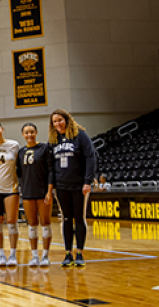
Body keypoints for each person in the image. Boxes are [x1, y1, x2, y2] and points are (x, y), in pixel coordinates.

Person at [50, 109, 96, 267]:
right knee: (66, 219)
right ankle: (68, 253)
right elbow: (51, 165)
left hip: (79, 185)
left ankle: (80, 253)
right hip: (61, 186)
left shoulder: (80, 135)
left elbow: (91, 157)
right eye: (55, 121)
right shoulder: (54, 140)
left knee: (79, 218)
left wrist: (87, 181)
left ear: (67, 120)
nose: (58, 124)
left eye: (60, 120)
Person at [17, 122, 54, 267]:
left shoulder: (45, 148)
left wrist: (49, 191)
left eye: (32, 132)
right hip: (27, 193)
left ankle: (45, 255)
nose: (29, 135)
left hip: (43, 192)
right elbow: (19, 173)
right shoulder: (20, 152)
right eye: (26, 133)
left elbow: (51, 171)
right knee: (31, 224)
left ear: (36, 132)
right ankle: (34, 256)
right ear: (23, 135)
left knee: (45, 223)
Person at [0, 121, 21, 267]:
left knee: (12, 222)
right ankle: (1, 254)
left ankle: (12, 254)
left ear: (2, 129)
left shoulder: (14, 145)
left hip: (11, 189)